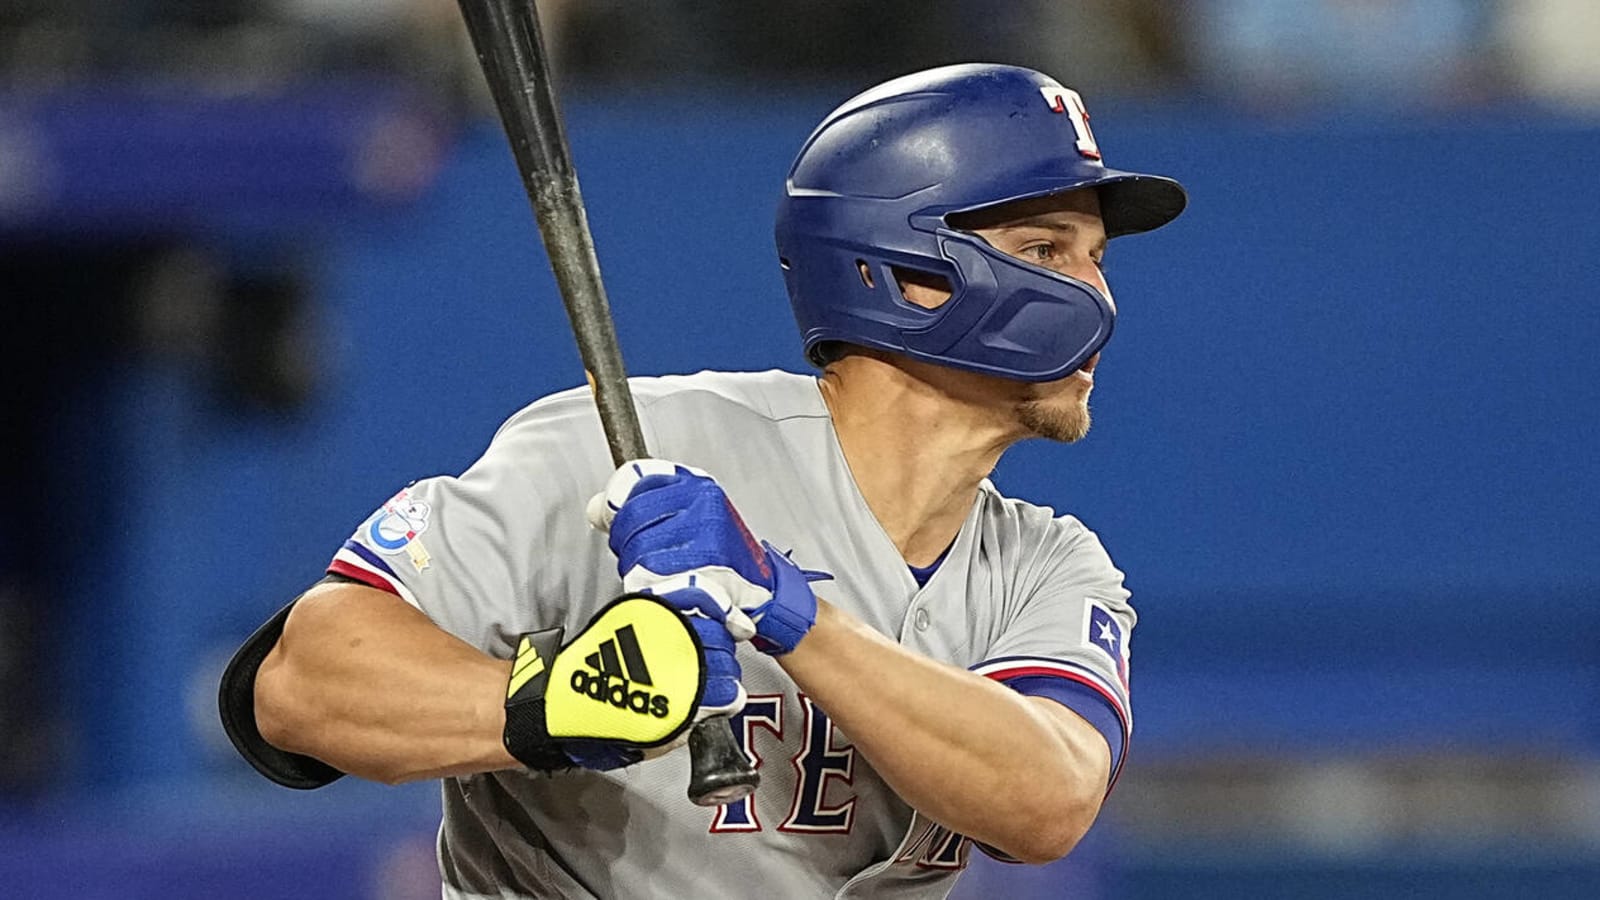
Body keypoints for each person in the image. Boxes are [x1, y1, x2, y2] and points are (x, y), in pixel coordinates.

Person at [219, 62, 1186, 899]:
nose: (1093, 295)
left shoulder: (1047, 566)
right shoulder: (635, 447)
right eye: (1045, 250)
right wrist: (553, 704)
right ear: (903, 271)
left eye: (1094, 259)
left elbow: (1048, 799)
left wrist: (788, 611)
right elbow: (301, 685)